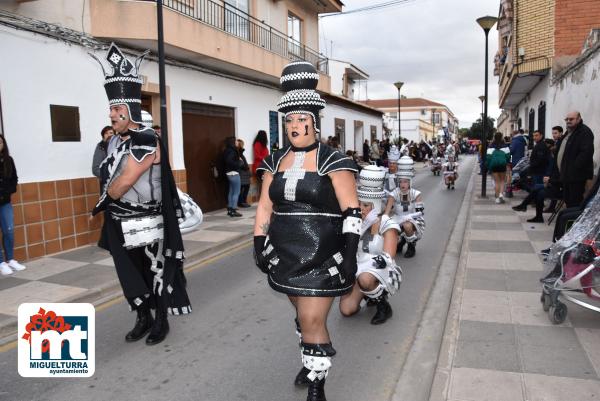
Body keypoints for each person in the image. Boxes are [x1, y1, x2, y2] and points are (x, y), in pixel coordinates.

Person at [253, 61, 360, 401]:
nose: (295, 126)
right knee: (301, 314)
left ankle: (317, 383)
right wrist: (258, 242)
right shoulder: (273, 161)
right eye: (289, 120)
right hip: (284, 252)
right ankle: (309, 358)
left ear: (315, 122)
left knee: (313, 318)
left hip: (323, 253)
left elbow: (352, 212)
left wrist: (351, 255)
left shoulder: (334, 161)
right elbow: (265, 207)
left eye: (302, 119)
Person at [91, 43, 191, 345]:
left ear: (131, 110)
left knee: (155, 271)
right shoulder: (113, 143)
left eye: (117, 110)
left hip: (147, 219)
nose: (112, 114)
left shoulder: (146, 139)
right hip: (118, 219)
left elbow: (122, 183)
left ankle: (160, 320)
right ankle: (143, 316)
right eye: (111, 109)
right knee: (130, 274)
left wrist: (110, 190)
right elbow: (111, 177)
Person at [338, 165, 402, 325]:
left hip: (379, 270)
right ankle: (368, 293)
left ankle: (383, 305)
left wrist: (364, 271)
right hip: (358, 268)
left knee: (366, 279)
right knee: (346, 309)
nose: (361, 208)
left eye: (366, 205)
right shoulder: (355, 222)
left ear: (375, 205)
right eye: (359, 204)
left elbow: (388, 258)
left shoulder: (387, 223)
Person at [384, 156, 425, 258]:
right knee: (389, 227)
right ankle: (401, 241)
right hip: (397, 217)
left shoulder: (416, 194)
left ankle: (411, 246)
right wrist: (384, 219)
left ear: (410, 182)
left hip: (412, 219)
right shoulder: (394, 193)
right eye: (401, 181)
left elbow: (420, 212)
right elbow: (387, 211)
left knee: (407, 225)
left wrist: (409, 217)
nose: (403, 184)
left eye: (405, 181)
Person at [512, 130, 552, 222]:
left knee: (538, 194)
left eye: (536, 135)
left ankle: (527, 207)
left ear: (541, 135)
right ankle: (535, 213)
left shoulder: (541, 146)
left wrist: (530, 170)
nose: (534, 137)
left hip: (539, 173)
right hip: (537, 172)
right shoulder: (539, 145)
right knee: (537, 194)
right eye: (533, 136)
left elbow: (539, 161)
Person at [0, 135, 25, 276]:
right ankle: (1, 263)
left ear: (4, 144)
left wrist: (9, 191)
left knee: (9, 231)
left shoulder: (9, 160)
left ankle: (10, 259)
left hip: (5, 202)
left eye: (0, 142)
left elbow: (14, 178)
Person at [558, 111, 595, 208]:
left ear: (578, 119)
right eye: (567, 119)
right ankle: (569, 221)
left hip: (576, 176)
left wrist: (574, 167)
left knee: (575, 202)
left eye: (571, 119)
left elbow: (586, 153)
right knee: (568, 201)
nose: (568, 121)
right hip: (567, 175)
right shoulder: (570, 131)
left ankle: (573, 222)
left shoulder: (584, 132)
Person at [486, 132, 511, 204]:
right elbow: (508, 156)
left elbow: (488, 158)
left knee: (497, 182)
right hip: (502, 165)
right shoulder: (505, 146)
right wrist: (508, 163)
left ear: (494, 137)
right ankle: (501, 195)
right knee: (502, 181)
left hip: (494, 166)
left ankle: (497, 199)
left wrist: (488, 166)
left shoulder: (490, 146)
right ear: (502, 137)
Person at [223, 136, 243, 217]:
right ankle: (233, 210)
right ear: (233, 142)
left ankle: (230, 209)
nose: (237, 141)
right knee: (236, 192)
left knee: (231, 192)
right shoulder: (232, 151)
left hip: (229, 173)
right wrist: (239, 163)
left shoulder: (227, 150)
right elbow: (230, 161)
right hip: (234, 173)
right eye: (236, 140)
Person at [252, 130, 269, 199]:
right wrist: (265, 158)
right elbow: (257, 156)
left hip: (264, 166)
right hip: (259, 167)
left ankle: (265, 198)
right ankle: (263, 198)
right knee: (264, 183)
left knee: (265, 183)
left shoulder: (263, 145)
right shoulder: (257, 144)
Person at [237, 139, 251, 208]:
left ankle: (244, 201)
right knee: (242, 188)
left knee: (246, 187)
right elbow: (240, 163)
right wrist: (244, 167)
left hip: (245, 173)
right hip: (241, 172)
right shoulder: (237, 153)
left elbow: (244, 162)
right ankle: (241, 202)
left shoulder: (241, 154)